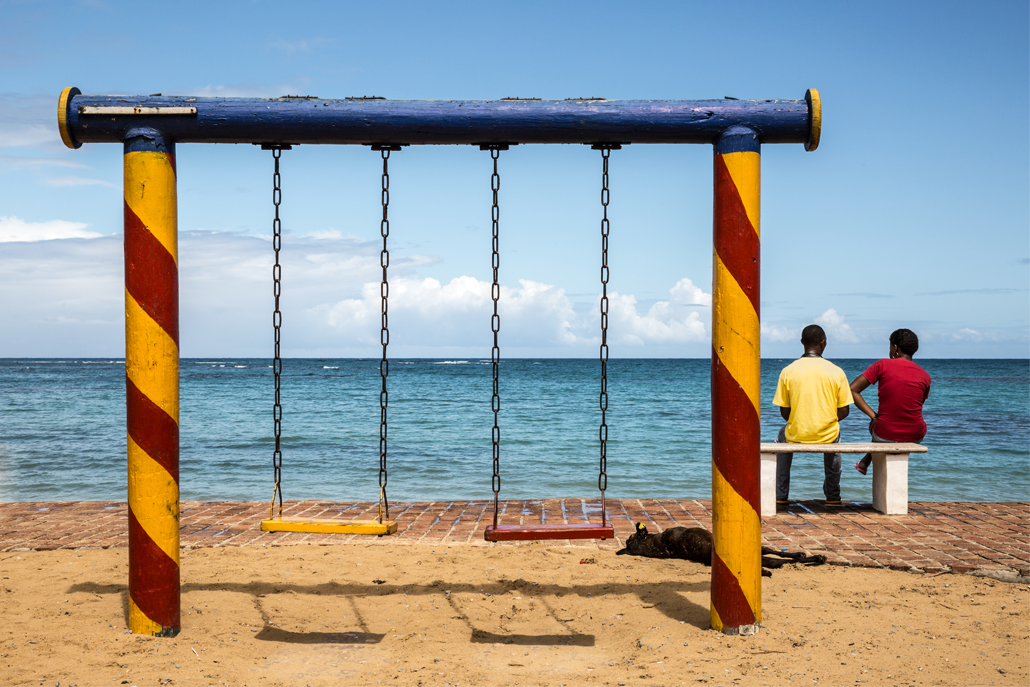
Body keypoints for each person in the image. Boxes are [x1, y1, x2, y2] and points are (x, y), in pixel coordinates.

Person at [773, 324, 854, 506]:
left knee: (781, 438)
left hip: (797, 432)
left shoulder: (788, 371)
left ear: (802, 342)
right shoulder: (836, 371)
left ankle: (780, 495)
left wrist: (800, 420)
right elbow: (844, 411)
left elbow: (784, 411)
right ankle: (833, 495)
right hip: (827, 434)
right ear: (823, 342)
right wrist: (825, 420)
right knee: (835, 436)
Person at [850, 328, 931, 475]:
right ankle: (864, 462)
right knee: (888, 424)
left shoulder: (882, 365)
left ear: (895, 348)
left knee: (879, 423)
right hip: (916, 434)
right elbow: (913, 406)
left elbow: (852, 390)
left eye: (890, 346)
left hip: (885, 434)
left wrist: (873, 416)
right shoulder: (925, 375)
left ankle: (865, 462)